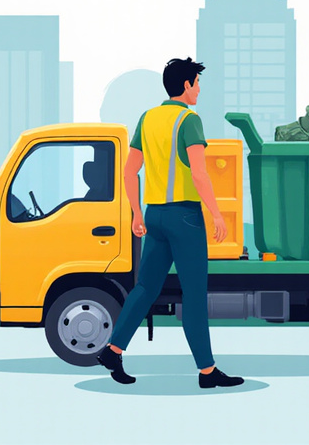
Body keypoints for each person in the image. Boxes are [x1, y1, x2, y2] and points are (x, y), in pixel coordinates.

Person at [96, 58, 245, 388]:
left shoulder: (148, 118)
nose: (200, 89)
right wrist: (217, 214)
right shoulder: (189, 120)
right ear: (187, 86)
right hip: (186, 217)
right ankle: (207, 372)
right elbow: (199, 172)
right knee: (194, 295)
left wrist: (136, 212)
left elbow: (129, 171)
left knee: (146, 288)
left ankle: (113, 349)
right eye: (197, 83)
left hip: (154, 215)